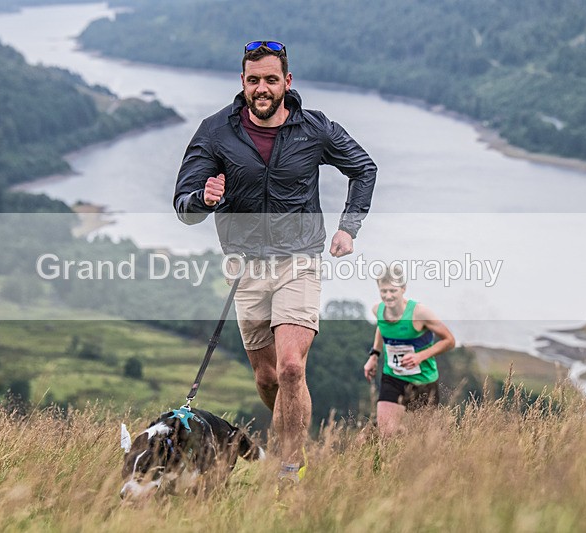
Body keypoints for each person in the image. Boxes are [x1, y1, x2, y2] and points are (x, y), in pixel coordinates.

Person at [174, 40, 377, 483]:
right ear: (242, 83)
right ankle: (291, 421)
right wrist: (201, 199)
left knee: (290, 367)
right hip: (244, 268)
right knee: (268, 379)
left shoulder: (314, 129)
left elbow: (364, 168)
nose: (261, 88)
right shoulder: (215, 132)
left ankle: (290, 464)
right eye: (253, 80)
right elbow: (182, 208)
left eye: (270, 79)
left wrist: (349, 227)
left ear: (287, 81)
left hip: (299, 260)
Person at [363, 265, 455, 436]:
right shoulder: (378, 310)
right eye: (383, 291)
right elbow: (382, 328)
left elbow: (449, 341)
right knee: (386, 433)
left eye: (393, 290)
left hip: (423, 380)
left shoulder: (419, 313)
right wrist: (374, 355)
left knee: (424, 438)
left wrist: (420, 356)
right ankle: (392, 452)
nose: (388, 296)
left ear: (403, 289)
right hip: (393, 376)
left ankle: (412, 439)